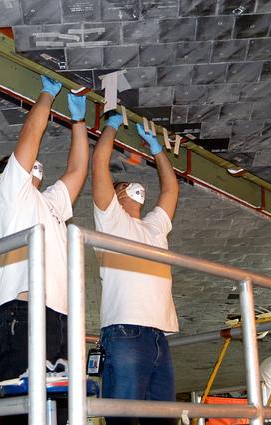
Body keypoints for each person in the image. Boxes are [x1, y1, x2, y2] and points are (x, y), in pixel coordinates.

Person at [0, 75, 89, 424]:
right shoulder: (10, 195)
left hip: (58, 317)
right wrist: (47, 94)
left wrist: (79, 122)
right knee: (25, 413)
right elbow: (30, 135)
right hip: (23, 312)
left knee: (60, 414)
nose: (35, 165)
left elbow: (77, 170)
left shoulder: (51, 203)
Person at [92, 113, 180, 425]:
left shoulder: (154, 227)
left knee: (163, 419)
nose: (134, 185)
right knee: (124, 418)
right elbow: (98, 167)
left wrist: (159, 151)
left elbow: (170, 191)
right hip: (125, 331)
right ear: (115, 196)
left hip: (158, 336)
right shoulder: (111, 221)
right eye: (125, 184)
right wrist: (112, 127)